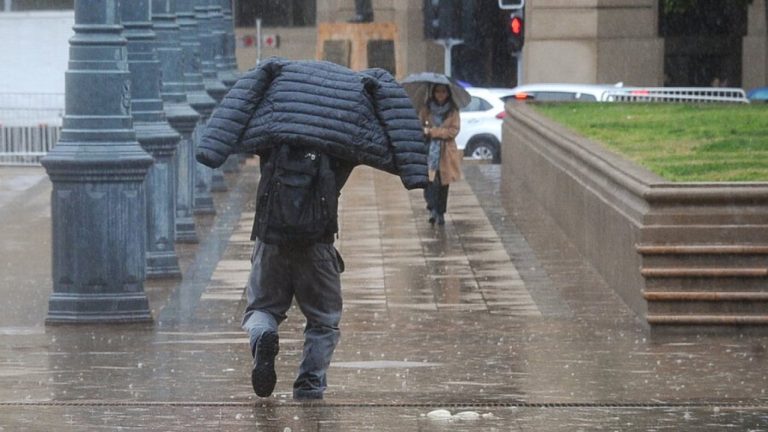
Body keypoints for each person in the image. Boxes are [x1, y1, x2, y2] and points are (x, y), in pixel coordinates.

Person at [244, 150, 354, 401]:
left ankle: (262, 335)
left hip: (270, 238)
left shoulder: (274, 128)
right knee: (323, 320)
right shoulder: (337, 138)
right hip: (316, 242)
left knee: (262, 308)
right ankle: (309, 385)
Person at [420, 84, 462, 226]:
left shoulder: (452, 111)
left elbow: (453, 131)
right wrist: (425, 131)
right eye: (437, 91)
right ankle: (432, 208)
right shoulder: (426, 109)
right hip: (429, 150)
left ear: (447, 93)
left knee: (443, 184)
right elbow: (420, 127)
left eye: (443, 91)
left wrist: (433, 132)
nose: (440, 94)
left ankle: (440, 212)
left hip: (446, 152)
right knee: (429, 182)